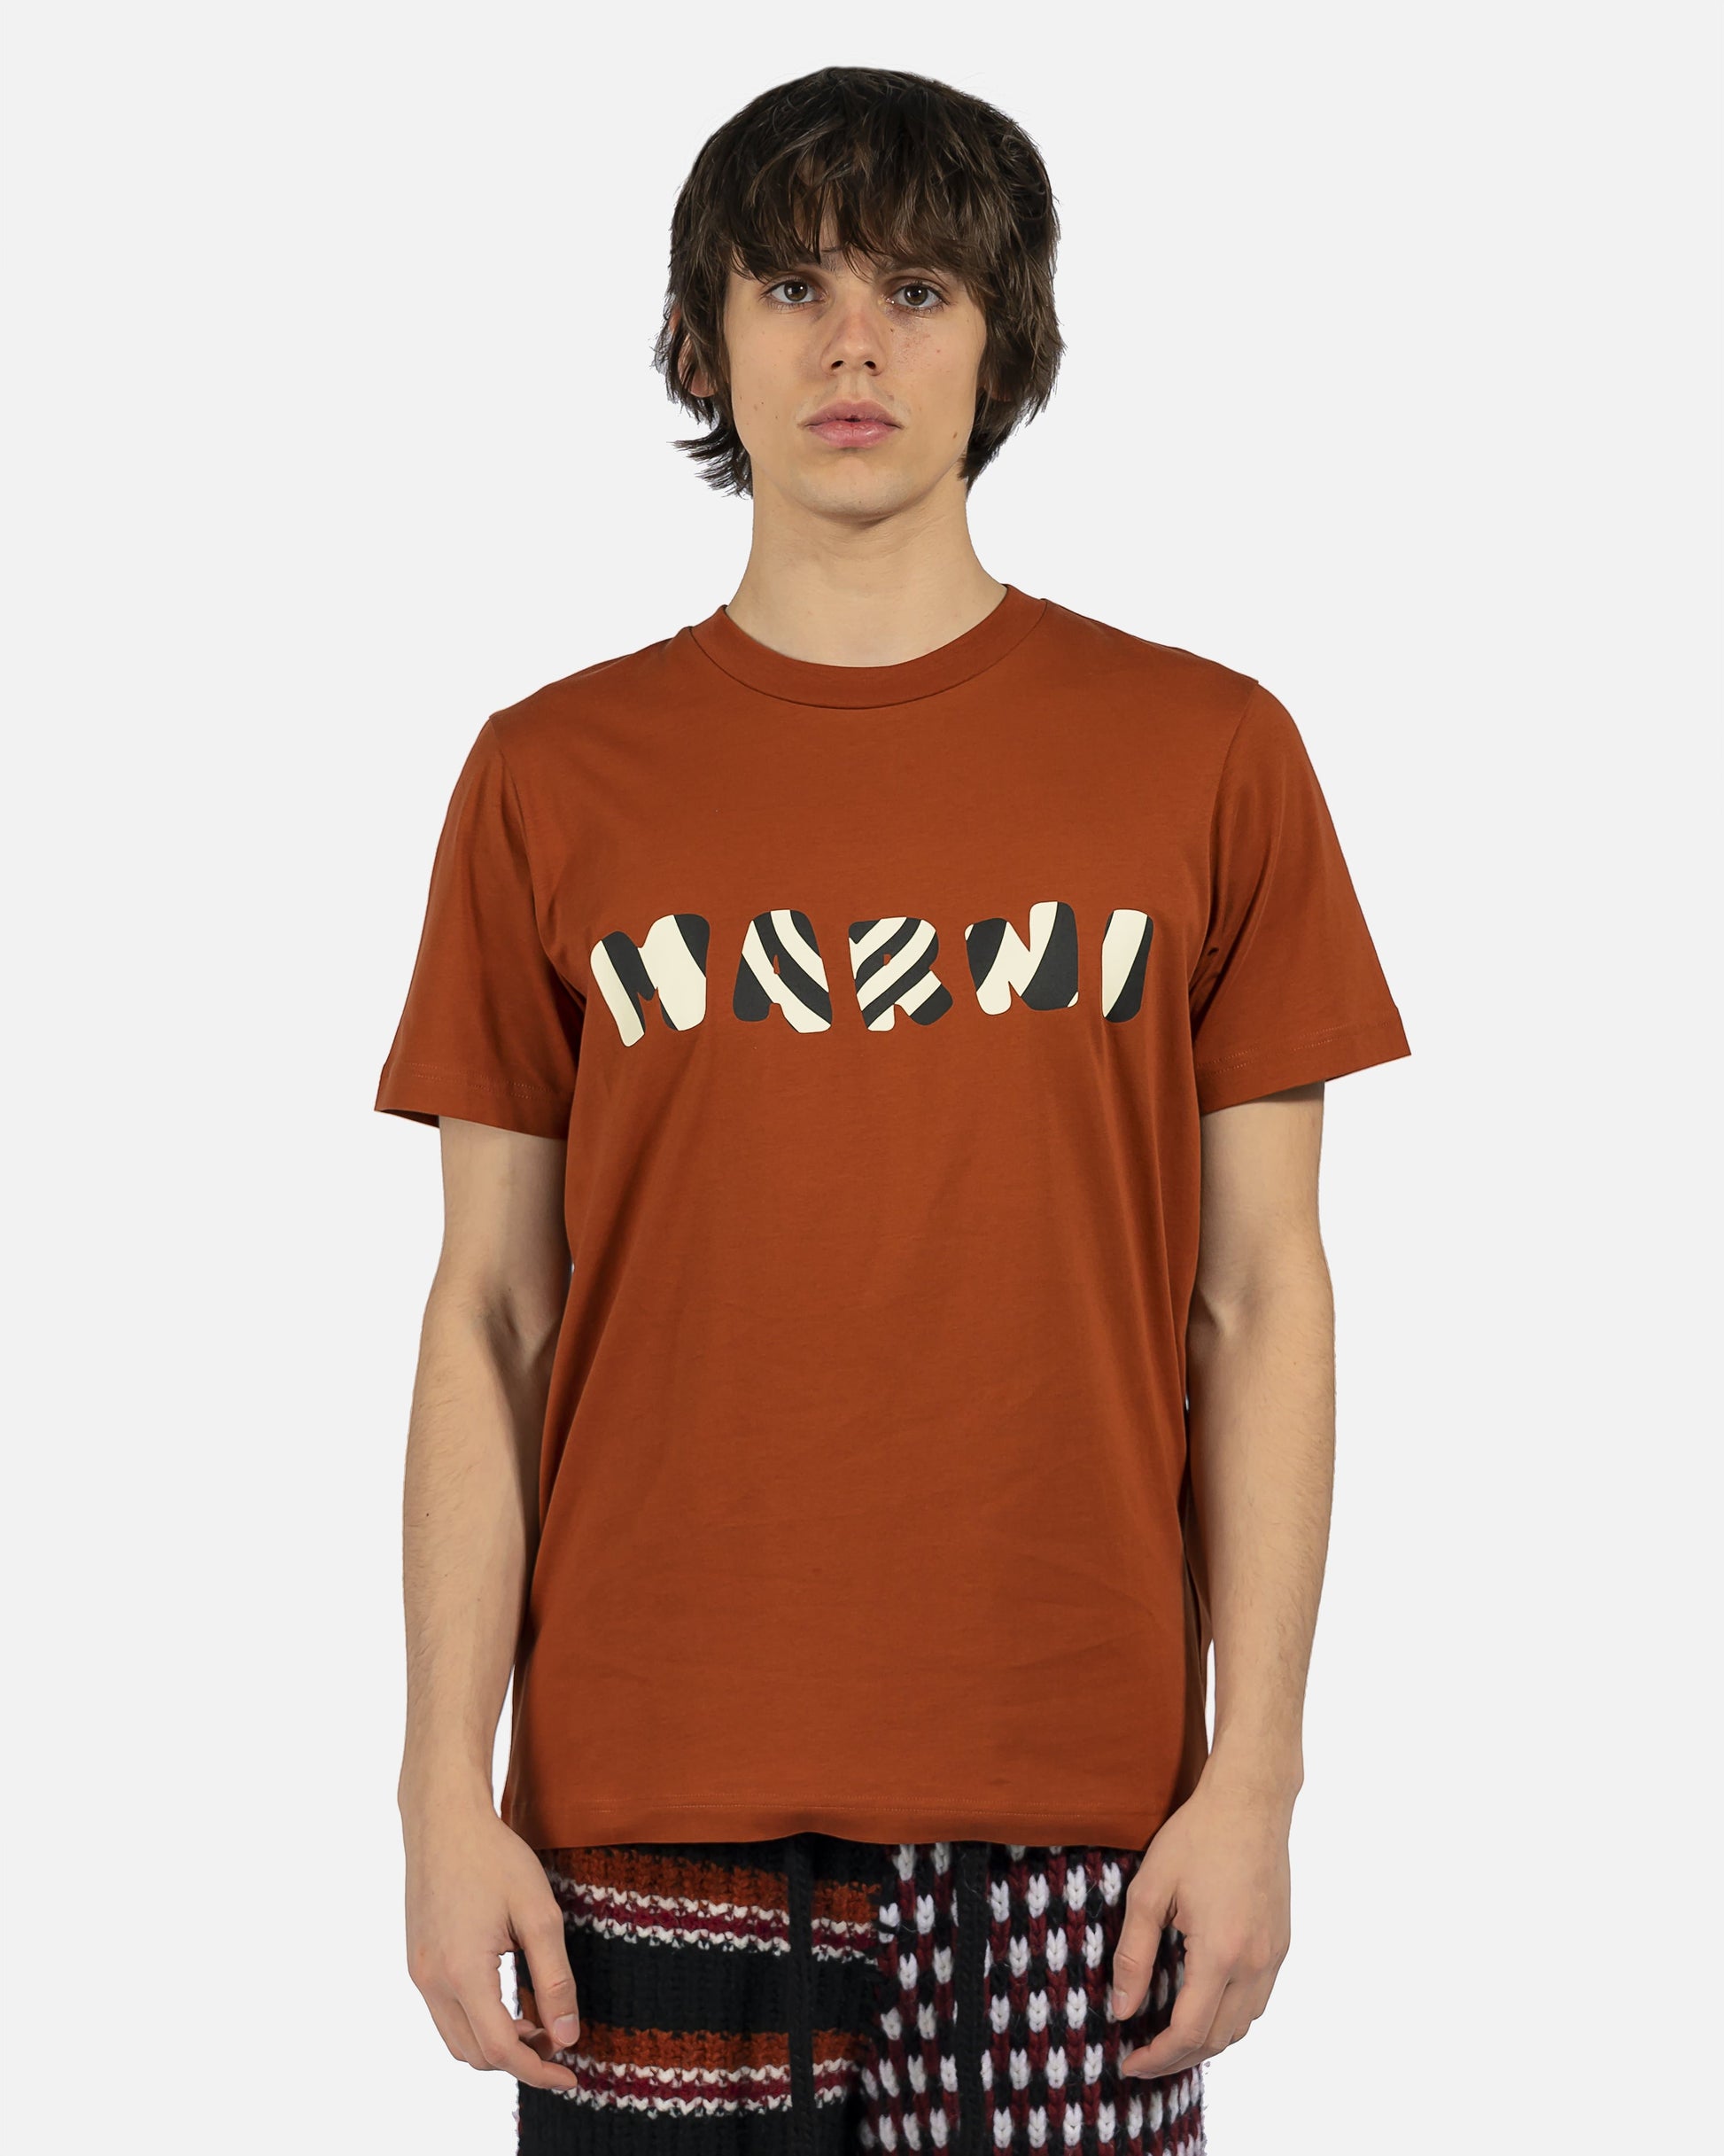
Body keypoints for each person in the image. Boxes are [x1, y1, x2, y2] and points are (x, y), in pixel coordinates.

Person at [375, 64, 1409, 2156]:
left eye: (918, 290)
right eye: (790, 285)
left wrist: (1258, 1775)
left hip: (1077, 1822)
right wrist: (434, 1791)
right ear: (701, 343)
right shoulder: (547, 775)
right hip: (633, 1810)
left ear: (1004, 345)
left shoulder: (1207, 753)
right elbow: (490, 1306)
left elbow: (1260, 1298)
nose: (852, 345)